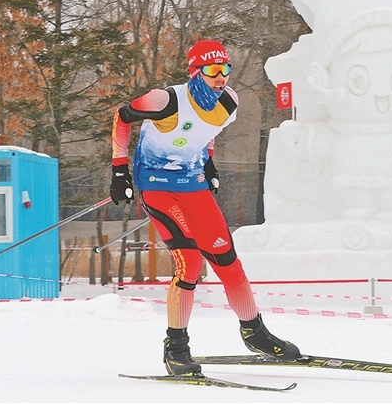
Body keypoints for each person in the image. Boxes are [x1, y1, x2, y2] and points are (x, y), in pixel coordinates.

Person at [109, 39, 301, 376]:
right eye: (213, 70)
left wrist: (208, 163)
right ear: (195, 71)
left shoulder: (228, 102)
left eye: (225, 69)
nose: (221, 77)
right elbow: (121, 118)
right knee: (190, 262)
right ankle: (176, 348)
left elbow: (207, 132)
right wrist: (119, 170)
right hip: (157, 187)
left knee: (228, 261)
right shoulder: (164, 100)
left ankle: (255, 334)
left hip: (193, 184)